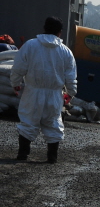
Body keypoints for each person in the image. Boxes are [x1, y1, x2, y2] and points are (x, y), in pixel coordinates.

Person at [10, 17, 77, 164]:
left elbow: (18, 67)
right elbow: (71, 77)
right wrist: (70, 93)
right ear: (60, 32)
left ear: (44, 28)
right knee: (53, 123)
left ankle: (22, 154)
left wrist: (15, 83)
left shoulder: (30, 45)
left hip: (32, 92)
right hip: (54, 94)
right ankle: (52, 157)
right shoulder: (66, 52)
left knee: (28, 121)